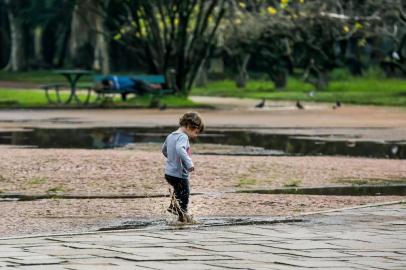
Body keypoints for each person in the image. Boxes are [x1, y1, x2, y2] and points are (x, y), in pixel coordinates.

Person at [161, 112, 204, 222]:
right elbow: (180, 149)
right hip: (179, 174)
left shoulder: (171, 135)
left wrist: (171, 159)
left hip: (169, 173)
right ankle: (182, 216)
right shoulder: (183, 137)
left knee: (179, 192)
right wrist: (189, 163)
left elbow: (163, 149)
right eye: (196, 132)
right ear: (190, 126)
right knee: (185, 194)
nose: (196, 136)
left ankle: (174, 208)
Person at [94, 75, 161, 101]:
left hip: (131, 81)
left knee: (141, 84)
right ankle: (153, 87)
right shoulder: (111, 86)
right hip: (131, 85)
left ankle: (152, 86)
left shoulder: (110, 79)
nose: (111, 84)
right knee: (143, 89)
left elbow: (113, 79)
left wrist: (110, 83)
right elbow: (114, 86)